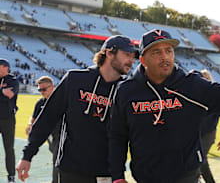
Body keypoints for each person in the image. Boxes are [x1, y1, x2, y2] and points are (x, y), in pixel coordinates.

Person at [107, 29, 220, 183]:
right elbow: (117, 136)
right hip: (145, 178)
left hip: (186, 177)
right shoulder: (126, 91)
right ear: (143, 60)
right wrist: (118, 177)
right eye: (156, 52)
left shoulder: (192, 85)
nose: (165, 57)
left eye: (169, 51)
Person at [16, 35, 138, 183]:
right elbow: (48, 118)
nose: (131, 60)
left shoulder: (127, 91)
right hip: (71, 170)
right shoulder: (75, 80)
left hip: (107, 173)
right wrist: (27, 156)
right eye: (127, 55)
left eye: (133, 56)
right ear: (109, 53)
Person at [25, 76, 60, 183]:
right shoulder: (40, 103)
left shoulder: (61, 100)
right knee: (55, 156)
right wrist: (30, 124)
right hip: (48, 136)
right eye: (39, 90)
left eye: (44, 89)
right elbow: (34, 116)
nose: (41, 92)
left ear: (52, 87)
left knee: (57, 159)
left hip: (61, 136)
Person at [199, 69, 220, 183]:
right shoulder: (195, 96)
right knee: (194, 159)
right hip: (196, 134)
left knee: (201, 159)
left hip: (208, 133)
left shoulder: (216, 97)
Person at [0, 58, 19, 183]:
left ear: (5, 67)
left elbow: (10, 95)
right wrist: (2, 92)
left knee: (9, 148)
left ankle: (11, 176)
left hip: (7, 119)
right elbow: (4, 94)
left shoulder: (13, 80)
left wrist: (3, 93)